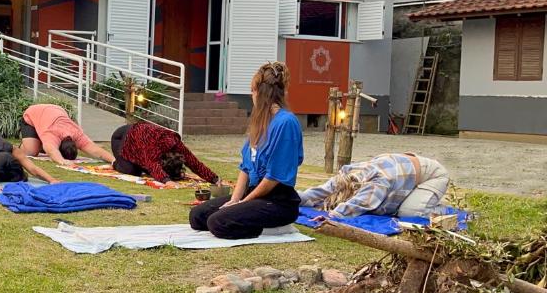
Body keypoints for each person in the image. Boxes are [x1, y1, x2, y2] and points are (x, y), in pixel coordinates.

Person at [189, 62, 303, 239]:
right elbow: (245, 167)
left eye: (252, 91)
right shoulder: (259, 123)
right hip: (253, 194)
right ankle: (244, 213)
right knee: (197, 216)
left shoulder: (286, 123)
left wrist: (243, 202)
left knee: (218, 223)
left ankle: (275, 229)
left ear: (260, 92)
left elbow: (273, 178)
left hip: (277, 201)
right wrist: (235, 199)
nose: (251, 96)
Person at [300, 153, 450, 218]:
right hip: (404, 172)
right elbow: (322, 191)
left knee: (409, 212)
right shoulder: (347, 174)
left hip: (432, 175)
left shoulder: (378, 183)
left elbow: (358, 204)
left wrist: (334, 215)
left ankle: (443, 210)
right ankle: (421, 199)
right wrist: (295, 197)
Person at [110, 121, 220, 184]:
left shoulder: (176, 144)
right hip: (121, 138)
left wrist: (214, 179)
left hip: (141, 145)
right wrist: (167, 181)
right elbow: (153, 166)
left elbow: (194, 163)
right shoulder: (152, 148)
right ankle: (115, 163)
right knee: (131, 171)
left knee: (147, 168)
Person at [19, 104, 115, 165]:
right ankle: (22, 145)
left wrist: (113, 160)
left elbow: (95, 150)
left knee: (45, 144)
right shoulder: (51, 133)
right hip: (33, 114)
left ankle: (38, 141)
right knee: (31, 152)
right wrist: (62, 161)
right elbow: (52, 151)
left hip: (55, 110)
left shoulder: (77, 134)